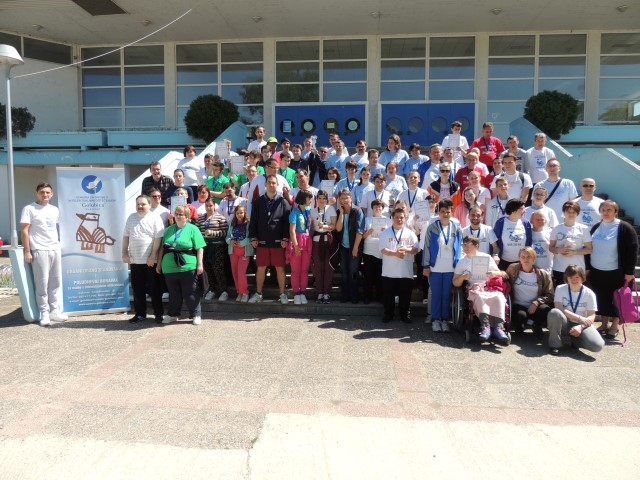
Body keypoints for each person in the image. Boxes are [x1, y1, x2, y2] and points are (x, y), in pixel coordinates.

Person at [587, 199, 639, 339]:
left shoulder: (624, 227)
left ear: (615, 212)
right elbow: (588, 247)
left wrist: (629, 272)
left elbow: (632, 250)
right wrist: (588, 267)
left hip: (617, 272)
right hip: (597, 270)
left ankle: (614, 325)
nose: (605, 212)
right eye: (603, 210)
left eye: (609, 210)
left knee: (617, 299)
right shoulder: (596, 227)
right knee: (602, 298)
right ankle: (604, 324)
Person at [20, 182, 68, 326]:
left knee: (55, 282)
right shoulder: (29, 209)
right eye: (42, 192)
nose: (45, 195)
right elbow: (24, 231)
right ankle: (44, 313)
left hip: (55, 248)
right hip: (39, 249)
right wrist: (27, 251)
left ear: (51, 194)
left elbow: (58, 228)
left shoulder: (54, 209)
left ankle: (55, 311)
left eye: (47, 192)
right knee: (42, 283)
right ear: (37, 193)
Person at [453, 235, 509, 342]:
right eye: (463, 245)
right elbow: (455, 282)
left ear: (476, 245)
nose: (464, 247)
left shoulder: (487, 257)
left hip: (489, 287)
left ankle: (499, 327)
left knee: (499, 297)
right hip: (474, 288)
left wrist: (494, 273)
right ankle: (485, 326)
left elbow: (500, 273)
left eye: (467, 245)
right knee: (479, 296)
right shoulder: (462, 261)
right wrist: (463, 277)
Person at [158, 205, 206, 325]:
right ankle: (173, 315)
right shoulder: (168, 230)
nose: (178, 216)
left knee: (190, 292)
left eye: (181, 214)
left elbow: (200, 247)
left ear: (187, 217)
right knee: (173, 293)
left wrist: (200, 264)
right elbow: (162, 249)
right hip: (169, 267)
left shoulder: (193, 229)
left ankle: (196, 314)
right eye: (176, 214)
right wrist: (159, 264)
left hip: (188, 266)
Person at [122, 194, 165, 324]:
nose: (140, 206)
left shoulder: (155, 218)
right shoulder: (131, 218)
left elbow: (158, 238)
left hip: (150, 261)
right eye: (138, 204)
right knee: (137, 289)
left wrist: (152, 256)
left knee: (154, 289)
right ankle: (140, 314)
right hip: (135, 260)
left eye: (143, 204)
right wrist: (124, 253)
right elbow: (126, 236)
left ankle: (158, 314)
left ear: (149, 205)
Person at [248, 175, 291, 304]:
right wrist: (253, 237)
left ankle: (282, 294)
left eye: (274, 183)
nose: (271, 185)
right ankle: (258, 293)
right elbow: (253, 221)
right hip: (262, 241)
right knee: (261, 268)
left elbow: (287, 222)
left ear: (277, 185)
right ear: (265, 184)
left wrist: (285, 238)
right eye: (269, 183)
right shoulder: (258, 202)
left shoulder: (283, 202)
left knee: (280, 268)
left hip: (278, 241)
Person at [422, 199, 463, 332]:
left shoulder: (456, 228)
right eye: (443, 212)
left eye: (448, 212)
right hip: (435, 267)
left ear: (452, 212)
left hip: (450, 268)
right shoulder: (432, 227)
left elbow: (460, 247)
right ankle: (435, 320)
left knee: (446, 295)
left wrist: (459, 265)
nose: (445, 214)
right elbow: (427, 247)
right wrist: (426, 266)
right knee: (436, 294)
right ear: (438, 212)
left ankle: (444, 319)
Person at [547, 265, 605, 356]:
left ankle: (575, 340)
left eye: (577, 277)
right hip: (565, 322)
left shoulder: (590, 293)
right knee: (554, 312)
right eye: (571, 277)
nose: (574, 280)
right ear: (566, 278)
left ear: (582, 277)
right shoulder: (560, 288)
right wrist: (579, 318)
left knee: (598, 346)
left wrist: (581, 327)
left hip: (581, 324)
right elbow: (559, 308)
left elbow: (592, 315)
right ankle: (555, 345)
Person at [380, 208, 420, 323]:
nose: (399, 219)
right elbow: (382, 249)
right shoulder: (386, 233)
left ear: (405, 218)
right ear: (392, 218)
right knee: (388, 296)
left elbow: (416, 249)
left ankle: (405, 315)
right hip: (389, 271)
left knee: (405, 296)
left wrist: (406, 249)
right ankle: (388, 314)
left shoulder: (410, 233)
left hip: (405, 271)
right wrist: (395, 254)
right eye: (397, 217)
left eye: (401, 217)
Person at [506, 247, 554, 336]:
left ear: (534, 259)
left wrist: (536, 302)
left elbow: (550, 294)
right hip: (518, 305)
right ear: (519, 258)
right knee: (521, 315)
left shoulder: (542, 274)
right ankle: (519, 325)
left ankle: (536, 325)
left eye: (529, 257)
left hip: (535, 306)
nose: (526, 259)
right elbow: (504, 277)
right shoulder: (512, 269)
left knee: (545, 310)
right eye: (523, 257)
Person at [549, 201, 592, 287]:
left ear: (577, 213)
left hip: (577, 269)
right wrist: (559, 250)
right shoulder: (557, 228)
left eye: (573, 212)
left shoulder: (583, 229)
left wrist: (574, 252)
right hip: (560, 268)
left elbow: (589, 249)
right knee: (561, 291)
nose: (571, 214)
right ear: (564, 213)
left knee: (576, 292)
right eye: (568, 212)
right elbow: (551, 247)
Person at [335, 189, 365, 304]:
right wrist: (342, 213)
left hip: (354, 247)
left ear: (351, 198)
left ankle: (354, 296)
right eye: (342, 199)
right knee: (344, 272)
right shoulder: (339, 212)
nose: (344, 200)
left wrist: (355, 248)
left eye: (346, 198)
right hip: (343, 247)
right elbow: (338, 229)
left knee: (353, 272)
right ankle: (345, 295)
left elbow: (360, 231)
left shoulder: (357, 211)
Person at [197, 198, 229, 302]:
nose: (209, 208)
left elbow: (225, 232)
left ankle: (224, 291)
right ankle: (212, 290)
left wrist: (212, 233)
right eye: (207, 206)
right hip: (205, 247)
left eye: (210, 205)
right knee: (208, 269)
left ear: (214, 206)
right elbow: (197, 232)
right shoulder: (200, 218)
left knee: (218, 269)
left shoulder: (220, 218)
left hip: (217, 246)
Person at [490, 199, 533, 270]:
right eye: (522, 209)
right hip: (503, 262)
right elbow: (495, 241)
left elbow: (529, 242)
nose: (525, 211)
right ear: (513, 210)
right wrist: (495, 255)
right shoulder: (500, 222)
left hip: (521, 262)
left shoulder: (526, 223)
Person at [362, 199, 391, 304]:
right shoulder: (367, 219)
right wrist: (368, 232)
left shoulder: (388, 220)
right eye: (375, 207)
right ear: (372, 209)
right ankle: (367, 297)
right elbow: (362, 236)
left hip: (382, 251)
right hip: (368, 250)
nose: (378, 208)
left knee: (380, 275)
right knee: (368, 275)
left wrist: (386, 231)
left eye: (379, 207)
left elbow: (392, 236)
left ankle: (380, 296)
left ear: (382, 209)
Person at [311, 190, 337, 304]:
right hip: (317, 241)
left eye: (324, 198)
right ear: (317, 199)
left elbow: (334, 225)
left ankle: (327, 292)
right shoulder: (313, 211)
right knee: (318, 267)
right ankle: (319, 292)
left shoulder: (331, 209)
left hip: (328, 241)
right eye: (319, 198)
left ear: (327, 199)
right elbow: (311, 227)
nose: (322, 200)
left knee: (328, 267)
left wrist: (325, 226)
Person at [289, 190, 314, 304]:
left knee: (304, 270)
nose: (311, 200)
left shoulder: (308, 211)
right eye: (309, 198)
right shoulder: (294, 212)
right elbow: (292, 231)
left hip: (307, 242)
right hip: (297, 242)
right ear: (303, 199)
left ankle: (303, 292)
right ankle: (296, 293)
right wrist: (295, 246)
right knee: (295, 270)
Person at [226, 205, 253, 302]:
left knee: (241, 273)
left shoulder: (248, 223)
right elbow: (227, 237)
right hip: (233, 252)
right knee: (235, 273)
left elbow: (251, 238)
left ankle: (245, 292)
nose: (239, 215)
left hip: (244, 252)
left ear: (245, 213)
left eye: (241, 213)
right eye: (237, 213)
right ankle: (239, 292)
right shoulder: (232, 223)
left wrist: (241, 243)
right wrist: (230, 241)